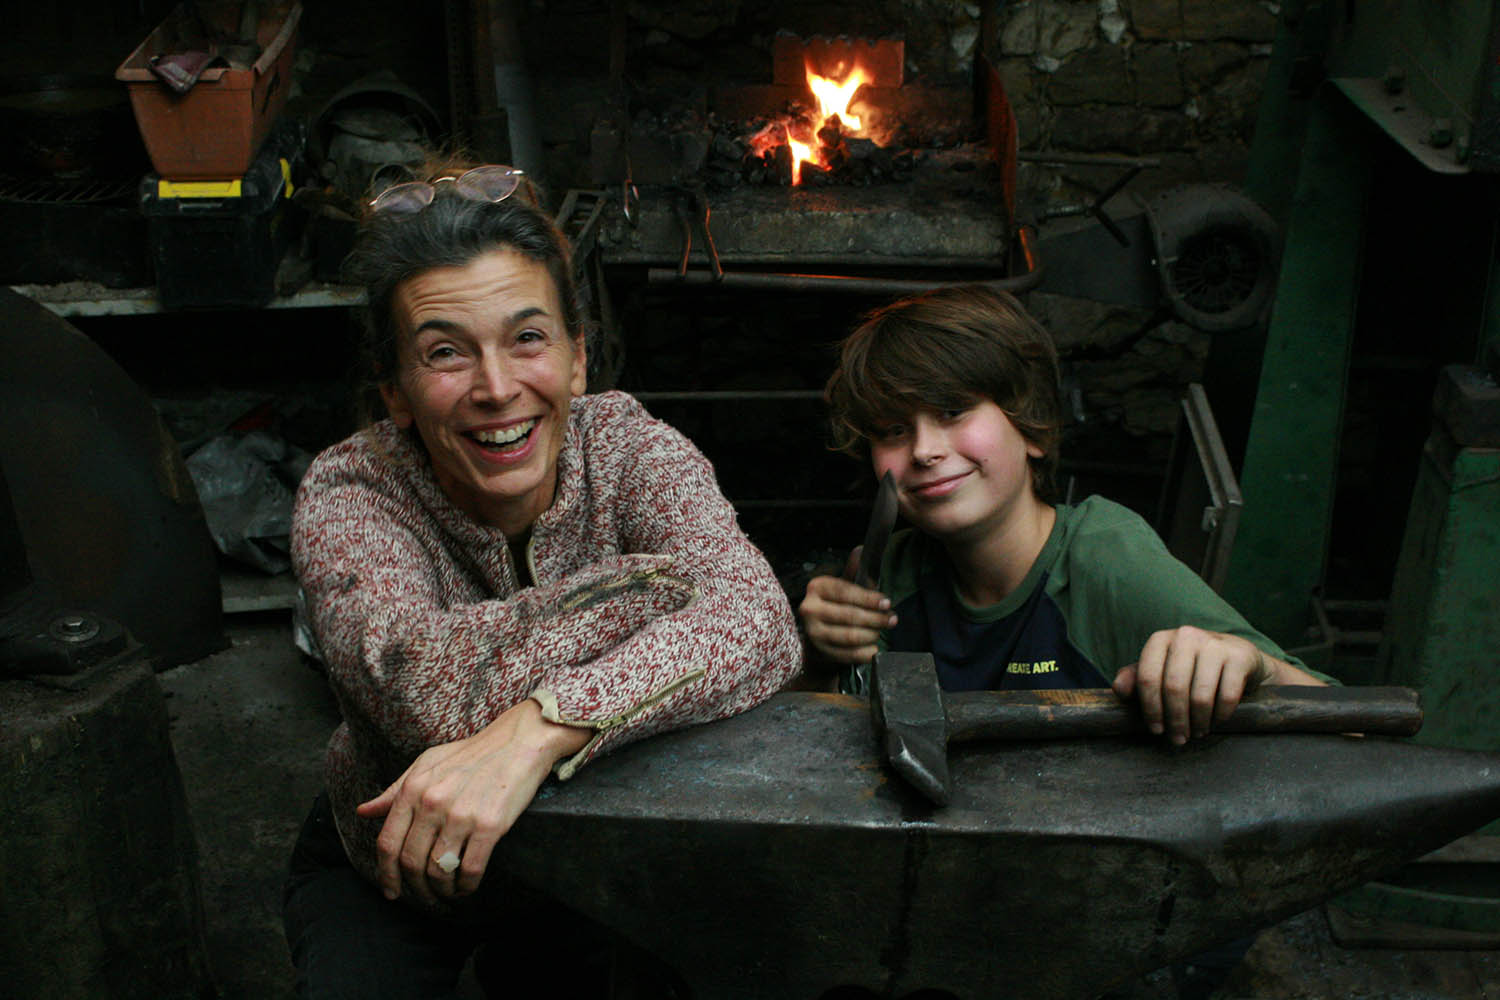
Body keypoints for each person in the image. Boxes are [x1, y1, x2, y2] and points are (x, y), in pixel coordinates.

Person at [283, 159, 801, 998]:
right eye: (445, 353)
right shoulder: (354, 489)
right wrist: (652, 589)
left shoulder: (627, 446)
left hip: (596, 850)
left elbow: (762, 624)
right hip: (394, 855)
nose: (497, 389)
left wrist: (543, 726)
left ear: (577, 359)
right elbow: (422, 691)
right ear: (397, 393)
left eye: (528, 339)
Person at [799, 283, 1328, 746]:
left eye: (952, 411)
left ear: (1032, 426)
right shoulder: (890, 571)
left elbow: (1345, 722)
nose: (923, 450)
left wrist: (1252, 666)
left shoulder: (1104, 559)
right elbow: (829, 749)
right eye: (893, 430)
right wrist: (817, 658)